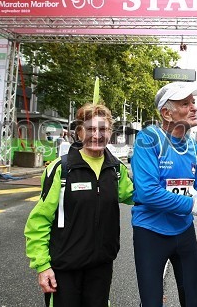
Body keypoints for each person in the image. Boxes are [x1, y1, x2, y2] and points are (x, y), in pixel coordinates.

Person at [131, 82, 197, 307]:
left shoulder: (193, 146)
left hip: (183, 231)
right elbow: (148, 192)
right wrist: (196, 207)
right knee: (151, 302)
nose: (194, 108)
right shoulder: (148, 139)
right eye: (185, 103)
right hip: (151, 232)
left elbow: (194, 190)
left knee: (193, 299)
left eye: (193, 102)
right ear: (166, 113)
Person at [24, 103, 134, 307]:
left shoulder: (116, 169)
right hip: (65, 268)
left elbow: (138, 196)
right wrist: (42, 266)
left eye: (103, 129)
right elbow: (39, 221)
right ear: (80, 131)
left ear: (110, 132)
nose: (97, 135)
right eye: (91, 129)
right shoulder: (61, 169)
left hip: (101, 265)